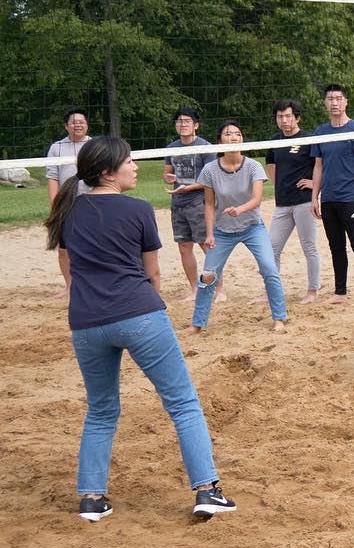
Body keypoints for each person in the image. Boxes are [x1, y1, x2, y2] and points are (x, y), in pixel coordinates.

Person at [43, 135, 237, 521]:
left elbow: (68, 267)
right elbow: (153, 274)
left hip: (85, 322)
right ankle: (206, 490)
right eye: (128, 162)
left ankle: (92, 498)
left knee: (100, 411)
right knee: (182, 403)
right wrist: (149, 307)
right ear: (107, 172)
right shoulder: (138, 210)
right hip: (138, 314)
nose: (134, 166)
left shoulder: (68, 211)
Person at [190, 121, 287, 335]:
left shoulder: (253, 166)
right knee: (208, 275)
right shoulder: (210, 170)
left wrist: (240, 209)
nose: (233, 137)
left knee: (269, 269)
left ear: (242, 139)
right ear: (219, 141)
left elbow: (257, 199)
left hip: (252, 226)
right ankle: (197, 324)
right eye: (228, 134)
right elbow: (208, 203)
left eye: (237, 133)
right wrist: (208, 234)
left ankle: (279, 318)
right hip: (222, 231)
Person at [309, 84, 354, 306]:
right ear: (325, 103)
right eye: (330, 98)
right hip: (329, 199)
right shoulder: (320, 132)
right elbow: (318, 167)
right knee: (336, 246)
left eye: (338, 98)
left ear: (346, 102)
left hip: (352, 198)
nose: (334, 102)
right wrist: (314, 197)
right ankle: (340, 292)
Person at [264, 99, 320, 304]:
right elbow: (270, 162)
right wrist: (278, 182)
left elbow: (321, 165)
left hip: (304, 202)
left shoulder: (308, 139)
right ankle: (270, 290)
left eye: (288, 116)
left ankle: (312, 291)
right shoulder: (275, 140)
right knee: (272, 248)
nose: (284, 120)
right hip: (282, 202)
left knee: (309, 247)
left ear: (297, 117)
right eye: (280, 117)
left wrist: (315, 184)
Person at [162, 107, 221, 301]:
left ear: (196, 125)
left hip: (199, 202)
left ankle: (219, 290)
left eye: (187, 121)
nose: (183, 124)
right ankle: (195, 289)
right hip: (178, 202)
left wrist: (187, 188)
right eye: (179, 121)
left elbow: (210, 179)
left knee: (207, 245)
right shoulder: (172, 148)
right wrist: (169, 178)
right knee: (184, 247)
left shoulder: (205, 146)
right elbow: (167, 174)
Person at [45, 107, 91, 295]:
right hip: (66, 204)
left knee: (91, 244)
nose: (77, 124)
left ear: (87, 124)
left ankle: (90, 284)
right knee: (64, 248)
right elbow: (52, 177)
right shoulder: (57, 147)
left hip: (91, 201)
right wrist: (56, 205)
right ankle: (70, 285)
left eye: (81, 121)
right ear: (66, 126)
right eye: (73, 122)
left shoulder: (94, 145)